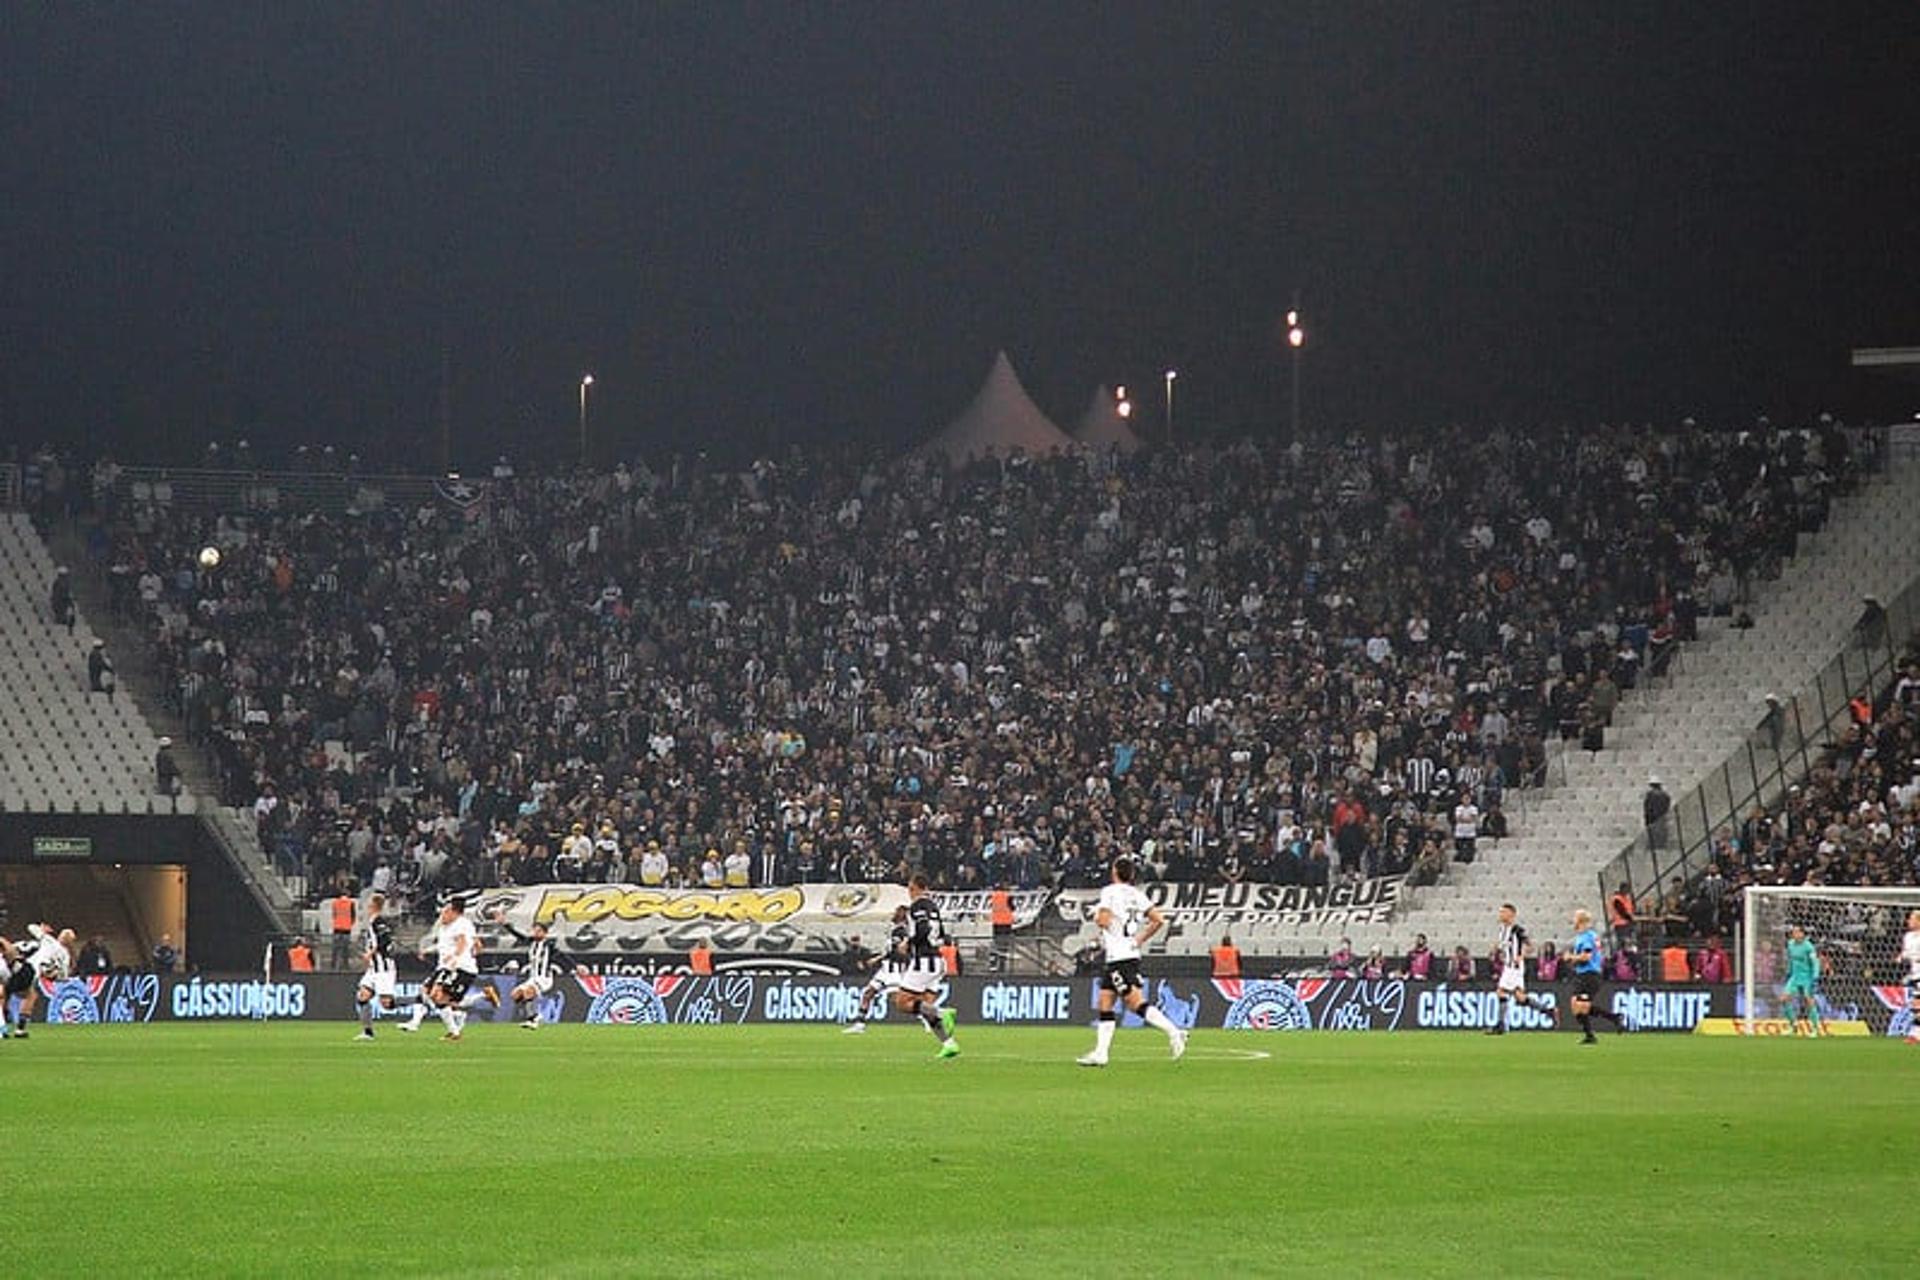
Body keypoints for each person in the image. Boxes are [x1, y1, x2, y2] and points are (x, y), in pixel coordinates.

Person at [1078, 857, 1186, 1067]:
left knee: (1135, 1003)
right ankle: (1101, 1053)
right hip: (1125, 955)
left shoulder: (1109, 892)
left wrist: (1095, 914)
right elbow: (1158, 919)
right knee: (1105, 1001)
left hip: (1120, 957)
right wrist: (1139, 940)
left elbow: (1103, 921)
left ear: (1115, 872)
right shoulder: (1137, 894)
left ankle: (1174, 1032)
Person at [884, 874, 959, 1059]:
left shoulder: (918, 905)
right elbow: (942, 934)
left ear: (916, 887)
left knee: (902, 1002)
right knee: (923, 1005)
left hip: (924, 961)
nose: (909, 892)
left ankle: (941, 1012)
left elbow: (923, 929)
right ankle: (949, 1044)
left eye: (910, 888)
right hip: (936, 960)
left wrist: (908, 943)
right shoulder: (933, 906)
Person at [401, 893, 482, 1041]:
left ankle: (453, 1027)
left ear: (453, 911)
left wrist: (456, 956)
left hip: (457, 967)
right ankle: (450, 1024)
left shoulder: (461, 924)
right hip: (444, 966)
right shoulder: (447, 926)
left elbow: (462, 942)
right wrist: (427, 951)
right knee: (428, 992)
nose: (442, 915)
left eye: (445, 912)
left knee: (439, 996)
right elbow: (474, 944)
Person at [489, 910, 571, 1030]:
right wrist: (504, 923)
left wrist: (576, 966)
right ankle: (535, 1016)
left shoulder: (549, 945)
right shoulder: (531, 942)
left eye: (539, 931)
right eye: (534, 930)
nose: (536, 933)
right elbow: (517, 934)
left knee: (528, 991)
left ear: (545, 933)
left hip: (544, 979)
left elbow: (563, 956)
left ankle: (532, 1019)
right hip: (533, 978)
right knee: (515, 995)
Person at [1485, 904, 1555, 1035]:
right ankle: (1547, 1010)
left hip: (1514, 967)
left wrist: (1521, 956)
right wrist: (1495, 950)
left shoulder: (1517, 930)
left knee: (1501, 992)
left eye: (1503, 912)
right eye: (1500, 912)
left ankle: (1501, 1025)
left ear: (1511, 914)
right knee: (1520, 997)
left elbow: (1530, 946)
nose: (1500, 914)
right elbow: (1504, 946)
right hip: (1509, 966)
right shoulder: (1502, 930)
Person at [844, 905, 909, 1034]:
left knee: (896, 1000)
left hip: (893, 968)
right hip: (885, 968)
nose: (894, 913)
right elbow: (890, 950)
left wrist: (877, 959)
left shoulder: (901, 931)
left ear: (902, 915)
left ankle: (930, 1015)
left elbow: (897, 951)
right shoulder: (895, 930)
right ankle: (859, 1024)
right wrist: (878, 958)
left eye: (897, 912)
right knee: (868, 993)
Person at [5, 924, 74, 1037]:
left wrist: (41, 929)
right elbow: (62, 977)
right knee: (30, 996)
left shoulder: (48, 940)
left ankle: (5, 1026)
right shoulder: (65, 956)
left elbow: (30, 927)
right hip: (30, 972)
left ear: (60, 936)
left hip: (20, 965)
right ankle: (19, 1029)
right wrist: (50, 974)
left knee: (7, 993)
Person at [1566, 909, 1624, 1043]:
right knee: (1576, 1006)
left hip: (1589, 975)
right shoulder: (1585, 936)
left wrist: (1571, 957)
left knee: (1581, 1006)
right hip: (1583, 974)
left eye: (1575, 918)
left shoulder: (1587, 936)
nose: (1573, 921)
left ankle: (1592, 1033)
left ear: (1580, 920)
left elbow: (1587, 956)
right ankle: (1612, 1019)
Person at [353, 893, 398, 1041]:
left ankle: (420, 1000)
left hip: (383, 968)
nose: (366, 906)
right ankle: (368, 1032)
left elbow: (384, 940)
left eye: (368, 903)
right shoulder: (374, 921)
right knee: (362, 995)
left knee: (386, 1003)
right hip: (374, 968)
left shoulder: (378, 921)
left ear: (372, 905)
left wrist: (370, 953)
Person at [1782, 925, 1823, 1037]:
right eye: (1793, 932)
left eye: (1796, 932)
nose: (1793, 934)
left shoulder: (1808, 947)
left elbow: (1815, 963)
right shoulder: (1790, 944)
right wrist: (1788, 972)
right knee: (1784, 999)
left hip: (1807, 977)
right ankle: (1793, 1026)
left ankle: (1815, 1028)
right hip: (1795, 976)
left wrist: (1815, 977)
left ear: (1802, 934)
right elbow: (1791, 960)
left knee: (1808, 1001)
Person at [1901, 910, 1920, 1046]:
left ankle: (1915, 1035)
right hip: (1914, 973)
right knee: (1916, 1005)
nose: (1909, 921)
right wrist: (1901, 956)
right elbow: (1907, 953)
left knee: (1917, 1005)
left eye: (1912, 919)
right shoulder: (1907, 937)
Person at [1643, 778, 1670, 850]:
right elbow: (1667, 806)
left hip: (1653, 817)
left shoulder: (1650, 795)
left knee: (1653, 833)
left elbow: (1647, 807)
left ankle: (1653, 846)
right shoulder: (1665, 795)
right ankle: (1661, 845)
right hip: (1661, 816)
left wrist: (1647, 818)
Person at [50, 565, 75, 632]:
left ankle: (64, 622)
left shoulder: (65, 583)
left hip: (64, 602)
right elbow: (57, 595)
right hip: (60, 602)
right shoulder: (58, 583)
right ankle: (60, 621)